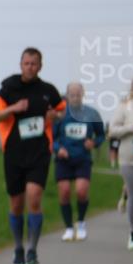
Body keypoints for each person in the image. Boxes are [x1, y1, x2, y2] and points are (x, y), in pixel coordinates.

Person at [0, 47, 65, 264]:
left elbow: (62, 110)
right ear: (21, 64)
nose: (30, 67)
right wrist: (13, 108)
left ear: (40, 66)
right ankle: (18, 247)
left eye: (34, 63)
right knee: (17, 204)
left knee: (34, 197)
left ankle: (32, 250)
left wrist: (54, 116)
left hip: (39, 151)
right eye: (26, 63)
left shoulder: (48, 90)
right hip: (14, 152)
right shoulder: (9, 87)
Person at [52, 82, 105, 242]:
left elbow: (101, 135)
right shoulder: (60, 114)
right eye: (72, 94)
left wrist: (94, 143)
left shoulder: (92, 114)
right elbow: (51, 137)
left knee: (81, 191)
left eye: (78, 94)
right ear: (67, 95)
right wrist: (57, 149)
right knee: (65, 192)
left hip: (83, 158)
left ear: (83, 94)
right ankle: (68, 227)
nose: (75, 97)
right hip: (64, 159)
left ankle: (81, 222)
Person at [108, 77, 133, 250]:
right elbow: (113, 131)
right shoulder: (124, 107)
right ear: (132, 89)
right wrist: (131, 128)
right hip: (129, 159)